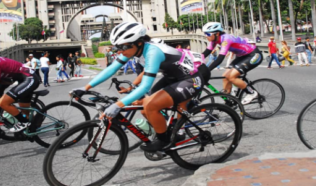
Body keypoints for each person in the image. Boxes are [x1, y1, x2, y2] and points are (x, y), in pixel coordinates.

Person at [74, 22, 210, 152]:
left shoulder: (152, 52)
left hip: (190, 79)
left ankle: (165, 140)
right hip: (172, 78)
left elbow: (145, 86)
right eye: (117, 47)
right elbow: (111, 70)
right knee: (145, 108)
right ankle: (170, 128)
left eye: (123, 47)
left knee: (151, 106)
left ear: (139, 43)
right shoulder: (134, 50)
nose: (120, 51)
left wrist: (117, 105)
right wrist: (84, 88)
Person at [202, 22, 262, 104]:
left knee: (231, 77)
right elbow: (205, 53)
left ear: (217, 33)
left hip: (253, 55)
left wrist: (207, 70)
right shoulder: (214, 40)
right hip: (241, 56)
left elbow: (220, 59)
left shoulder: (226, 39)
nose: (206, 36)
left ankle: (252, 93)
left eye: (208, 34)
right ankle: (228, 99)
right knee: (224, 76)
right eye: (205, 34)